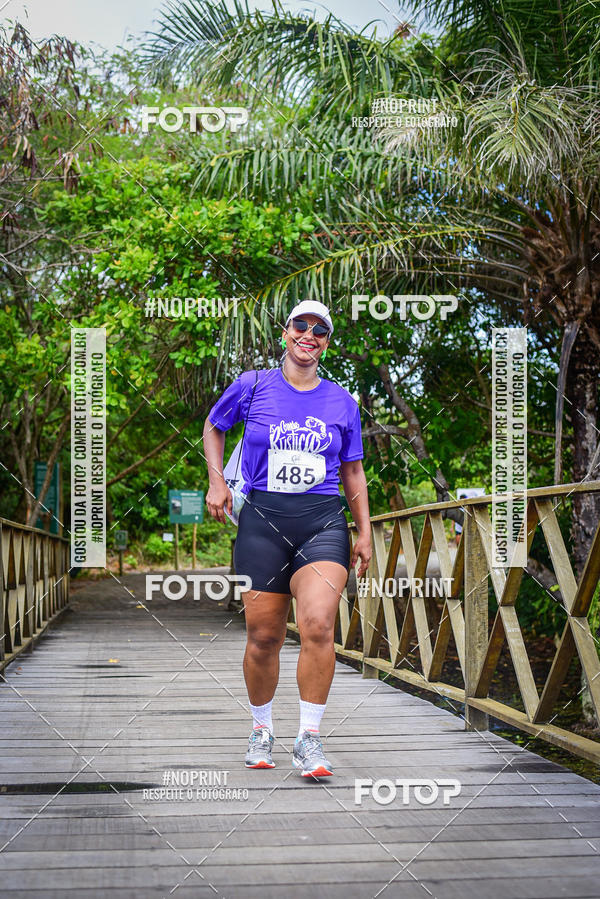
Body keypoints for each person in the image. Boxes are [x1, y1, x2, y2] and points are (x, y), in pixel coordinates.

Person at [202, 300, 372, 778]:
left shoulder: (342, 401)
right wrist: (218, 483)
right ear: (285, 333)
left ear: (326, 343)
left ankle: (309, 740)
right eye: (302, 325)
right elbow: (213, 429)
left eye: (321, 331)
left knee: (318, 624)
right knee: (264, 635)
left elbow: (353, 470)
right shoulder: (252, 385)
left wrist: (365, 531)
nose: (310, 335)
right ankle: (261, 727)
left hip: (322, 520)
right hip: (262, 520)